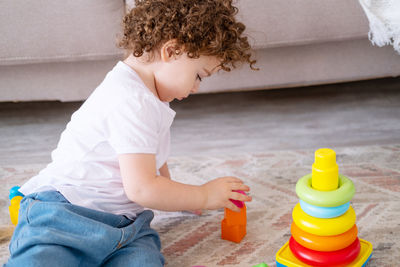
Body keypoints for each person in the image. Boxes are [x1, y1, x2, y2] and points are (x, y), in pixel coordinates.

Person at [6, 0, 257, 266]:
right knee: (43, 259)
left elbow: (153, 158)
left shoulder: (150, 95)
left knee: (144, 260)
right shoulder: (132, 100)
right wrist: (203, 195)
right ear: (171, 51)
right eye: (199, 75)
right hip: (65, 212)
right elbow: (142, 188)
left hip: (124, 225)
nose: (196, 87)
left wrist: (181, 197)